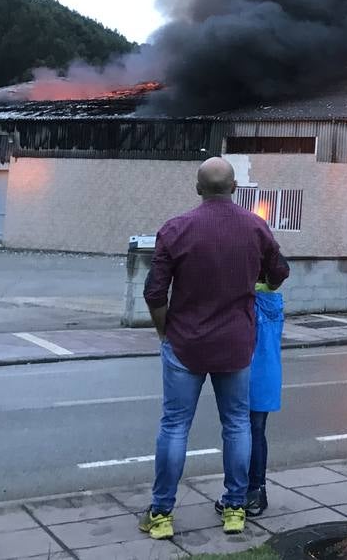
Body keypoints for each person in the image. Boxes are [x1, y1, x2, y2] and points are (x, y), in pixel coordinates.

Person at [138, 157, 290, 540]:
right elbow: (279, 274)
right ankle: (235, 509)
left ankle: (161, 514)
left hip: (185, 343)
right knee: (237, 425)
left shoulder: (175, 229)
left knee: (174, 427)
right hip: (236, 345)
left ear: (198, 188)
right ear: (235, 187)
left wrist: (164, 332)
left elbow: (154, 292)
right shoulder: (256, 228)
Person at [214, 272, 286, 518]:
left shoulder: (245, 299)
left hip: (244, 372)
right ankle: (257, 491)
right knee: (257, 432)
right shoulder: (274, 300)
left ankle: (238, 493)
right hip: (268, 374)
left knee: (238, 432)